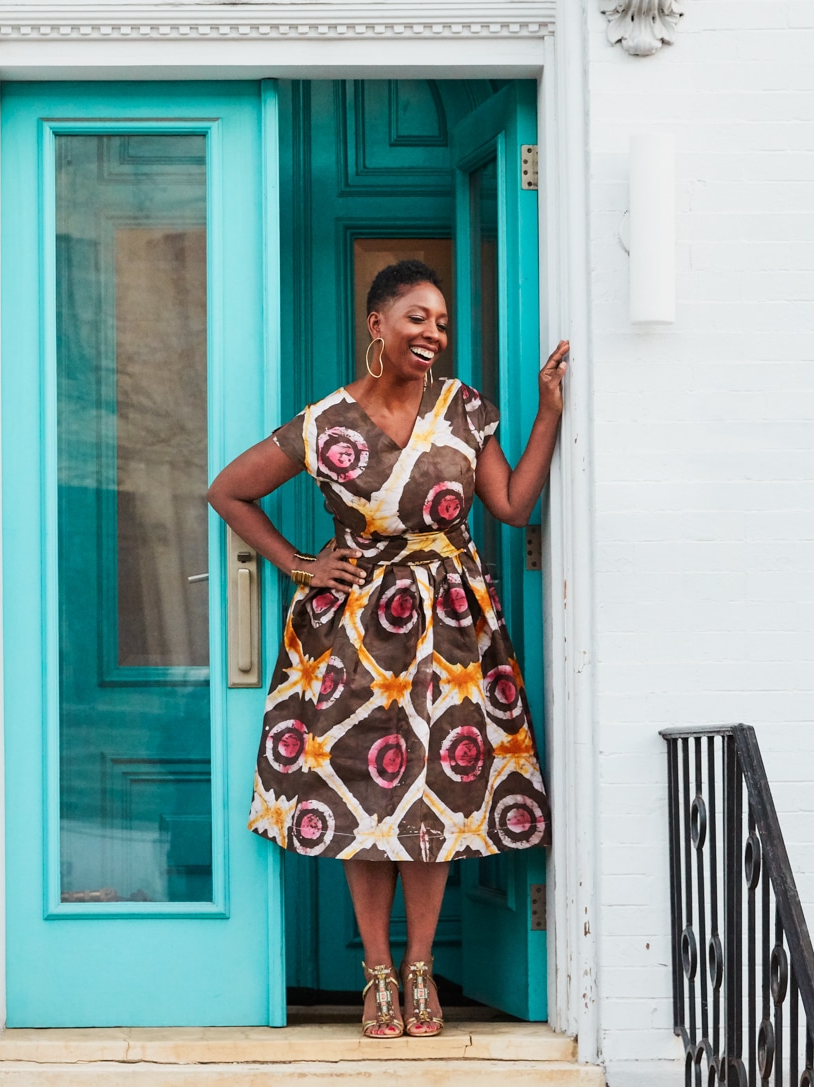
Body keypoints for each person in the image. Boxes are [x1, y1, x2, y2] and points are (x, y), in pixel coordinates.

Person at [207, 260, 568, 1039]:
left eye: (441, 322)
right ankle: (377, 972)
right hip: (354, 637)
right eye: (416, 318)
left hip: (451, 636)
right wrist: (301, 563)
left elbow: (512, 504)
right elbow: (229, 490)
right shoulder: (325, 423)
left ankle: (421, 968)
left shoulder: (465, 408)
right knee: (362, 797)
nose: (433, 332)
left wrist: (547, 414)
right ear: (377, 324)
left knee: (434, 792)